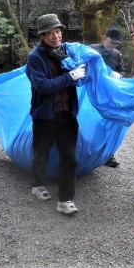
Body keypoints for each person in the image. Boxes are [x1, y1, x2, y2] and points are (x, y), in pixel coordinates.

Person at [25, 14, 86, 214]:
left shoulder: (66, 52)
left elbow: (90, 61)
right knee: (40, 154)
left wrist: (106, 74)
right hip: (45, 116)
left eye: (58, 31)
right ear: (42, 35)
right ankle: (37, 184)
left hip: (67, 114)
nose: (55, 36)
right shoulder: (35, 57)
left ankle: (65, 200)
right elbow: (42, 86)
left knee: (70, 157)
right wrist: (69, 77)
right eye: (50, 33)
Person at [90, 26, 125, 168]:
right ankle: (86, 153)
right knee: (90, 123)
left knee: (109, 124)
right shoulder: (92, 49)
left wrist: (118, 76)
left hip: (108, 95)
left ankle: (109, 155)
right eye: (112, 42)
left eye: (116, 44)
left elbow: (121, 71)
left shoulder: (117, 55)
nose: (114, 46)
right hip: (90, 93)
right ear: (105, 37)